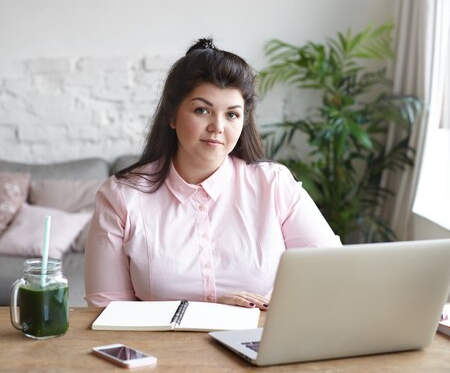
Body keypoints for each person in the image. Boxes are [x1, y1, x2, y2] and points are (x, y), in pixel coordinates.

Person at [84, 37, 342, 309]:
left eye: (232, 114)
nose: (217, 126)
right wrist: (208, 309)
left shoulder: (274, 185)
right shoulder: (122, 196)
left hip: (260, 345)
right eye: (202, 110)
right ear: (171, 116)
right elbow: (106, 310)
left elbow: (332, 274)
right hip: (164, 351)